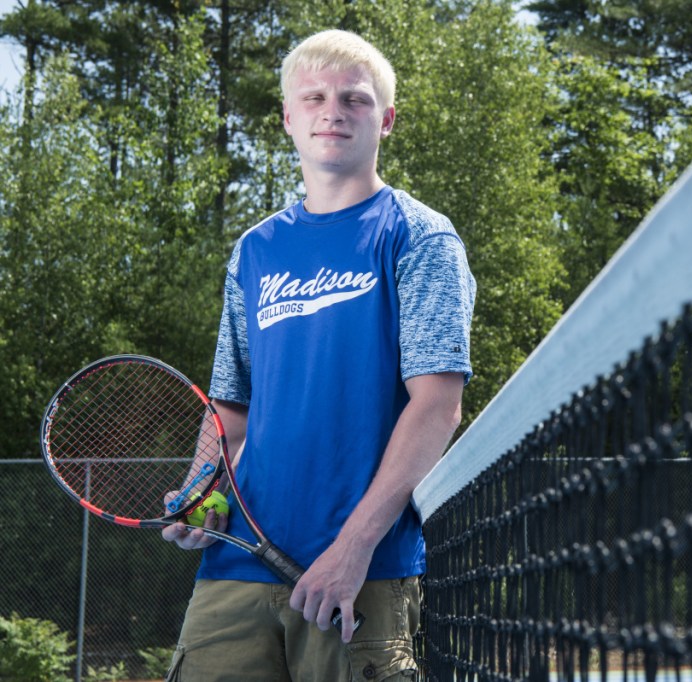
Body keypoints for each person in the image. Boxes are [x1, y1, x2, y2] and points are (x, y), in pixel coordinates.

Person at [161, 28, 476, 682]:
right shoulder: (255, 250)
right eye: (314, 97)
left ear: (385, 120)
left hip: (359, 573)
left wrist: (352, 549)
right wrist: (204, 488)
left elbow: (438, 405)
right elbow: (230, 407)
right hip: (237, 566)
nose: (333, 110)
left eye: (355, 99)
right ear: (288, 118)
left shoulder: (420, 238)